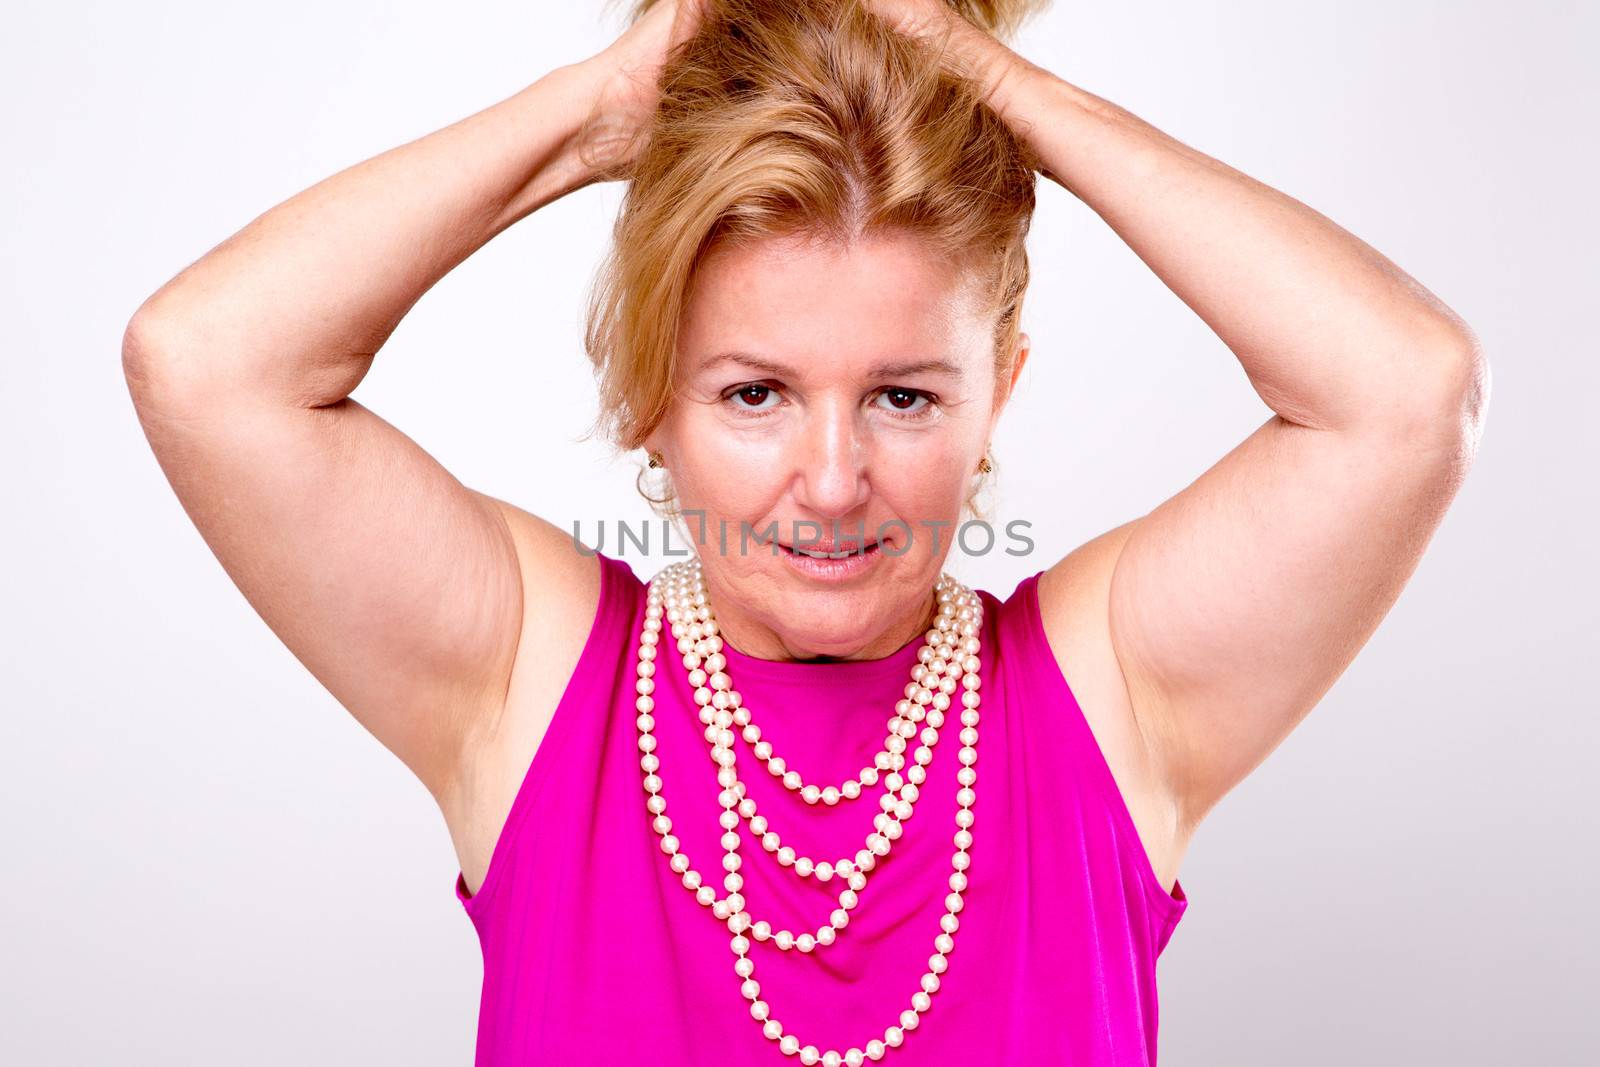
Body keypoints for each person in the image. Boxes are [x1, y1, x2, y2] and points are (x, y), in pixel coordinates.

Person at [120, 0, 1489, 1063]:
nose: (832, 484)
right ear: (650, 393)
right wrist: (596, 116)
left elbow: (1406, 392)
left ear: (997, 390)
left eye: (904, 396)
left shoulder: (1111, 698)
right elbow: (205, 363)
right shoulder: (530, 681)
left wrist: (1004, 89)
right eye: (755, 393)